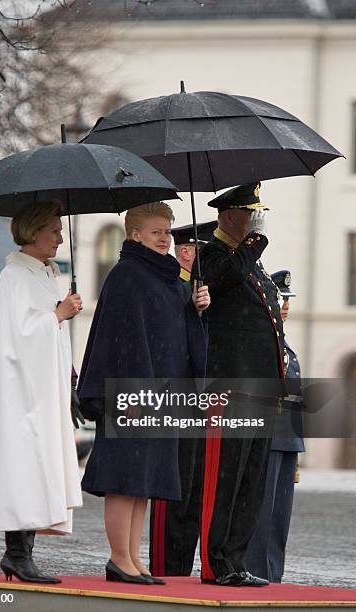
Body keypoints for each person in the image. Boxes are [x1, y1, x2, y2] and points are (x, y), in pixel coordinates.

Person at [77, 202, 210, 585]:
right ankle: (120, 558)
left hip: (161, 396)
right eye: (157, 232)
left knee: (143, 482)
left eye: (167, 231)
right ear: (135, 235)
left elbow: (180, 339)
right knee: (124, 479)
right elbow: (121, 341)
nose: (166, 238)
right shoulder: (128, 275)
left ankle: (133, 558)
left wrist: (196, 308)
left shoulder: (168, 279)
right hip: (132, 397)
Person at [0, 200, 83, 584]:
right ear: (32, 232)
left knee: (37, 466)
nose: (60, 239)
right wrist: (57, 316)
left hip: (42, 394)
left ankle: (22, 553)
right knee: (24, 468)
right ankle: (17, 554)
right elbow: (19, 338)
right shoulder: (14, 276)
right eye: (54, 230)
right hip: (21, 396)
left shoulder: (44, 274)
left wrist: (68, 374)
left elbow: (44, 333)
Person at [197, 182, 285, 587]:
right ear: (231, 214)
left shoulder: (250, 260)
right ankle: (216, 562)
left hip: (260, 389)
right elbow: (229, 277)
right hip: (232, 387)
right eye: (250, 214)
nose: (255, 221)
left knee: (251, 479)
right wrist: (254, 243)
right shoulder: (212, 254)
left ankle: (236, 558)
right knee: (226, 478)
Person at [149, 220, 216, 576]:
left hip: (198, 395)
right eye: (203, 250)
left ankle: (180, 565)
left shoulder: (199, 288)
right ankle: (165, 564)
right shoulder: (170, 283)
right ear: (187, 251)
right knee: (172, 484)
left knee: (192, 485)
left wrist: (203, 308)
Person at [245, 270, 305, 583]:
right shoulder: (262, 342)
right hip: (265, 435)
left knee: (278, 518)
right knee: (260, 514)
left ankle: (273, 573)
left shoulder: (284, 343)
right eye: (280, 299)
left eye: (287, 300)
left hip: (286, 439)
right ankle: (256, 571)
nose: (285, 307)